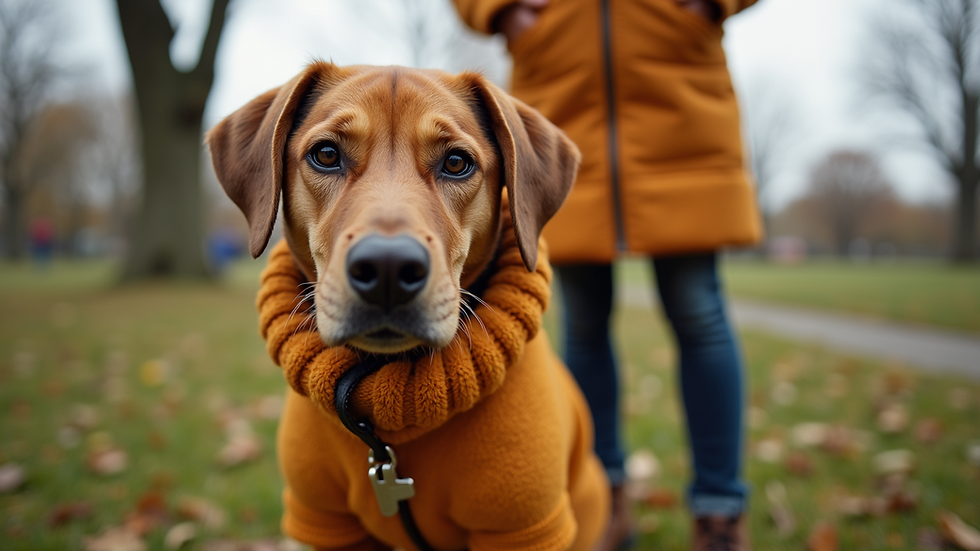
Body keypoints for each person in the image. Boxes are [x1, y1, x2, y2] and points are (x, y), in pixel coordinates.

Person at [451, 0, 762, 549]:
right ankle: (602, 498)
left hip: (678, 90)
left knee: (699, 312)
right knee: (584, 323)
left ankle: (720, 514)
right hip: (561, 83)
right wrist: (505, 11)